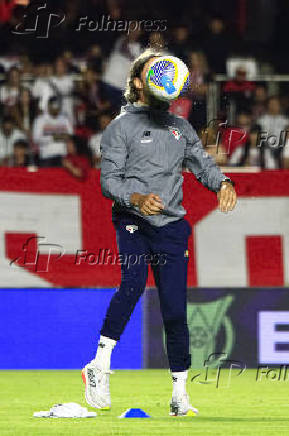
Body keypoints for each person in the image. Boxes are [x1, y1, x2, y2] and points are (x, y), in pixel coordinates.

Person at [82, 49, 237, 417]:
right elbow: (108, 182)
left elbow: (203, 165)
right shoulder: (120, 128)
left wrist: (223, 183)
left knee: (174, 308)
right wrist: (135, 197)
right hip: (133, 221)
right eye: (153, 74)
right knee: (132, 285)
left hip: (171, 226)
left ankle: (180, 394)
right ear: (138, 82)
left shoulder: (180, 128)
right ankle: (99, 366)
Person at [32, 96, 73, 167]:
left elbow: (70, 136)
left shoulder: (65, 119)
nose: (55, 108)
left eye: (57, 105)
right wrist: (54, 138)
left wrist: (63, 137)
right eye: (53, 105)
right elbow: (36, 139)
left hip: (62, 156)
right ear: (48, 106)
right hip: (46, 156)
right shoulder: (40, 120)